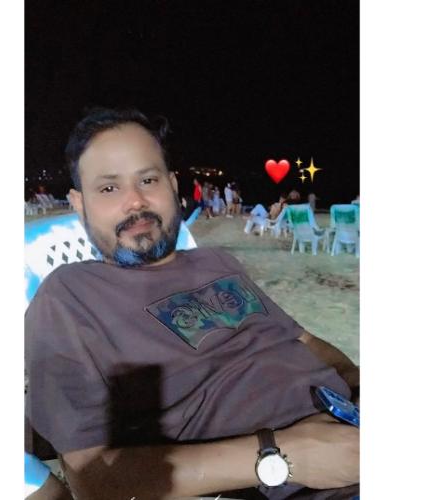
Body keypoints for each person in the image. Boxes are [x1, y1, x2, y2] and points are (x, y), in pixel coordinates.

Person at [25, 108, 359, 500]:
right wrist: (282, 456)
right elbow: (93, 476)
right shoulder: (69, 296)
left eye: (148, 180)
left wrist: (355, 381)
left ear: (171, 185)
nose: (135, 201)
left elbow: (304, 341)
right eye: (109, 188)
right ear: (79, 203)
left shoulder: (218, 262)